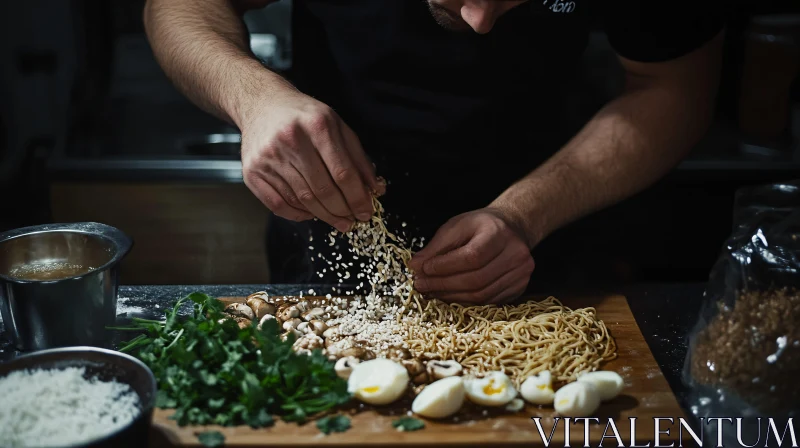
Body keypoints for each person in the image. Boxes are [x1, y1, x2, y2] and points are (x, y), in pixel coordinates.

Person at [143, 0, 725, 304]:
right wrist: (255, 99)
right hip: (331, 214)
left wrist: (524, 214)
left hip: (549, 222)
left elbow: (675, 88)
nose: (479, 20)